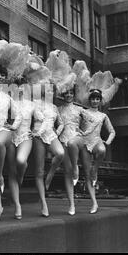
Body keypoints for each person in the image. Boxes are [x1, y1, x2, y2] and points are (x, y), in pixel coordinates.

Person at [0, 64, 22, 221]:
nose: (0, 77)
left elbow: (18, 115)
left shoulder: (7, 96)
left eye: (3, 75)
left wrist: (13, 126)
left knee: (0, 144)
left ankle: (1, 175)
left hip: (4, 131)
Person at [46, 88, 85, 216]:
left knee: (73, 148)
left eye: (71, 93)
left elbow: (92, 121)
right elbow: (52, 123)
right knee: (67, 172)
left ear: (74, 95)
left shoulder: (80, 109)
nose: (69, 95)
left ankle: (76, 167)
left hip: (76, 138)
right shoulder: (58, 109)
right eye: (66, 93)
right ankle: (72, 205)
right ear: (63, 95)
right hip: (63, 140)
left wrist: (84, 131)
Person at [31, 83, 65, 217]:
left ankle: (50, 173)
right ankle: (44, 204)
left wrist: (57, 131)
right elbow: (40, 119)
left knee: (60, 153)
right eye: (48, 90)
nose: (50, 92)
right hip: (38, 135)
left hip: (50, 134)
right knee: (39, 171)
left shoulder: (54, 107)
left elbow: (61, 123)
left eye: (53, 90)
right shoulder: (36, 103)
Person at [80, 89, 116, 214]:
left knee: (102, 150)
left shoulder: (103, 116)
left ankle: (95, 168)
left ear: (100, 101)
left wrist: (108, 141)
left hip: (96, 141)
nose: (95, 101)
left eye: (97, 99)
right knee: (87, 174)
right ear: (89, 100)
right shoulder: (83, 112)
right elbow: (76, 125)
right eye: (93, 99)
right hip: (85, 143)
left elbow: (112, 131)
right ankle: (94, 203)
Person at [7, 82, 35, 220]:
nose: (20, 89)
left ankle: (22, 171)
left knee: (21, 160)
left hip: (25, 136)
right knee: (12, 171)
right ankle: (17, 205)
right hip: (10, 136)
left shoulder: (31, 104)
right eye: (16, 87)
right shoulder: (9, 101)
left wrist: (37, 131)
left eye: (22, 87)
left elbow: (43, 118)